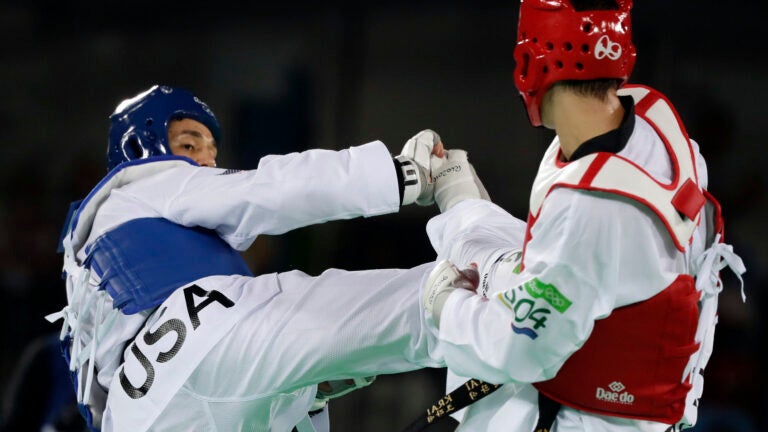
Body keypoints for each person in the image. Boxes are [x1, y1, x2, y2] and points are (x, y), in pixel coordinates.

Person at [44, 84, 485, 432]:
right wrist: (399, 173)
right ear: (143, 147)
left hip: (139, 412)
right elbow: (269, 190)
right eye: (189, 143)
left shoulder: (94, 263)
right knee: (423, 300)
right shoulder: (143, 185)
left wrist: (302, 391)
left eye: (212, 148)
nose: (208, 160)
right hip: (192, 336)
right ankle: (498, 296)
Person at [417, 0, 747, 431]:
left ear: (528, 67)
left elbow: (521, 349)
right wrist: (458, 190)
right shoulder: (653, 118)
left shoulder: (592, 208)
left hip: (585, 418)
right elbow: (570, 263)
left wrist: (446, 304)